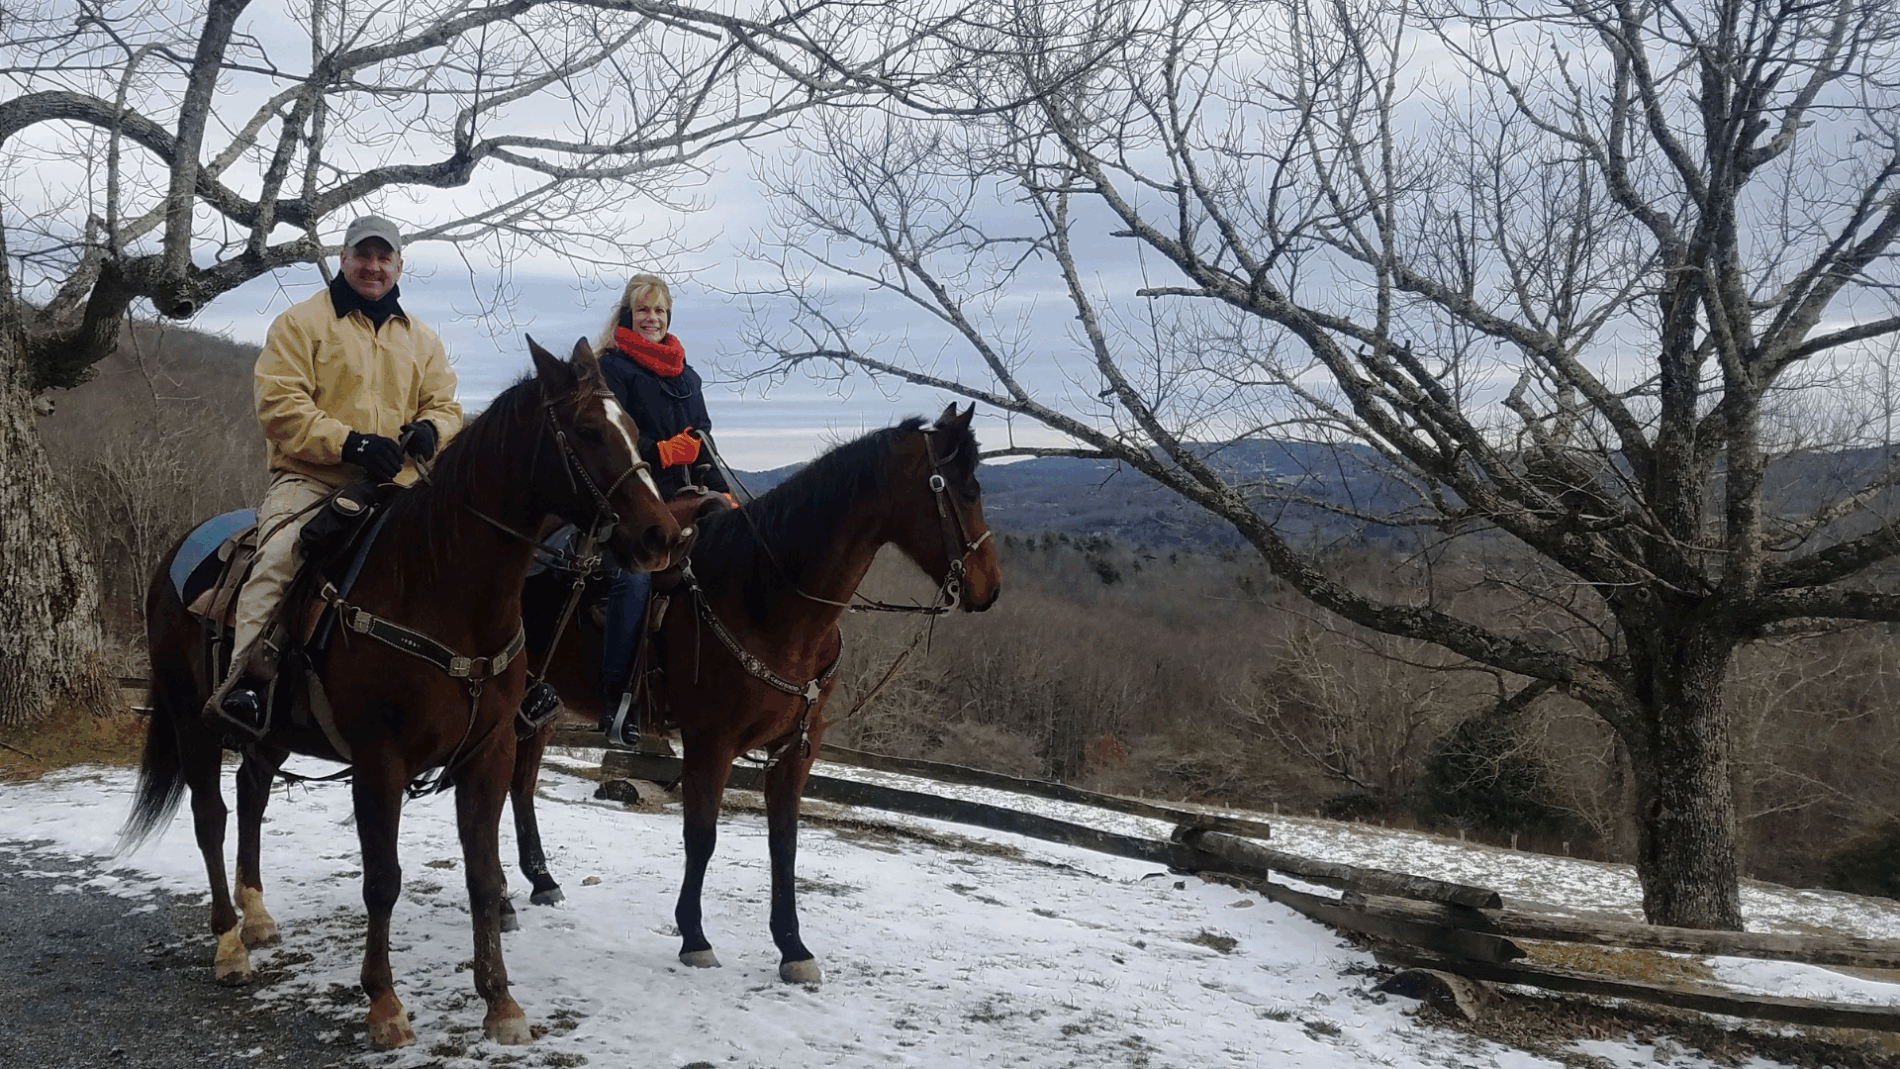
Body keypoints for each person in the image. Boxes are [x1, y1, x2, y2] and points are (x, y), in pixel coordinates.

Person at [203, 215, 462, 736]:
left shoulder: (423, 341)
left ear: (398, 267)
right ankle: (245, 688)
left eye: (383, 257)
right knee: (281, 556)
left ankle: (494, 689)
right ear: (344, 259)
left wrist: (433, 430)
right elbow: (279, 405)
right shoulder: (301, 324)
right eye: (362, 256)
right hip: (313, 481)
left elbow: (446, 405)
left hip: (400, 488)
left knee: (471, 557)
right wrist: (350, 443)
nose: (373, 266)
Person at [593, 272, 732, 748]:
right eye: (643, 310)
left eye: (659, 311)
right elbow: (610, 440)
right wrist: (659, 452)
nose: (651, 318)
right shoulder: (611, 367)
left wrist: (722, 490)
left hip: (689, 497)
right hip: (632, 498)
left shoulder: (686, 373)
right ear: (628, 315)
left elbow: (704, 438)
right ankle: (617, 697)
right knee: (635, 575)